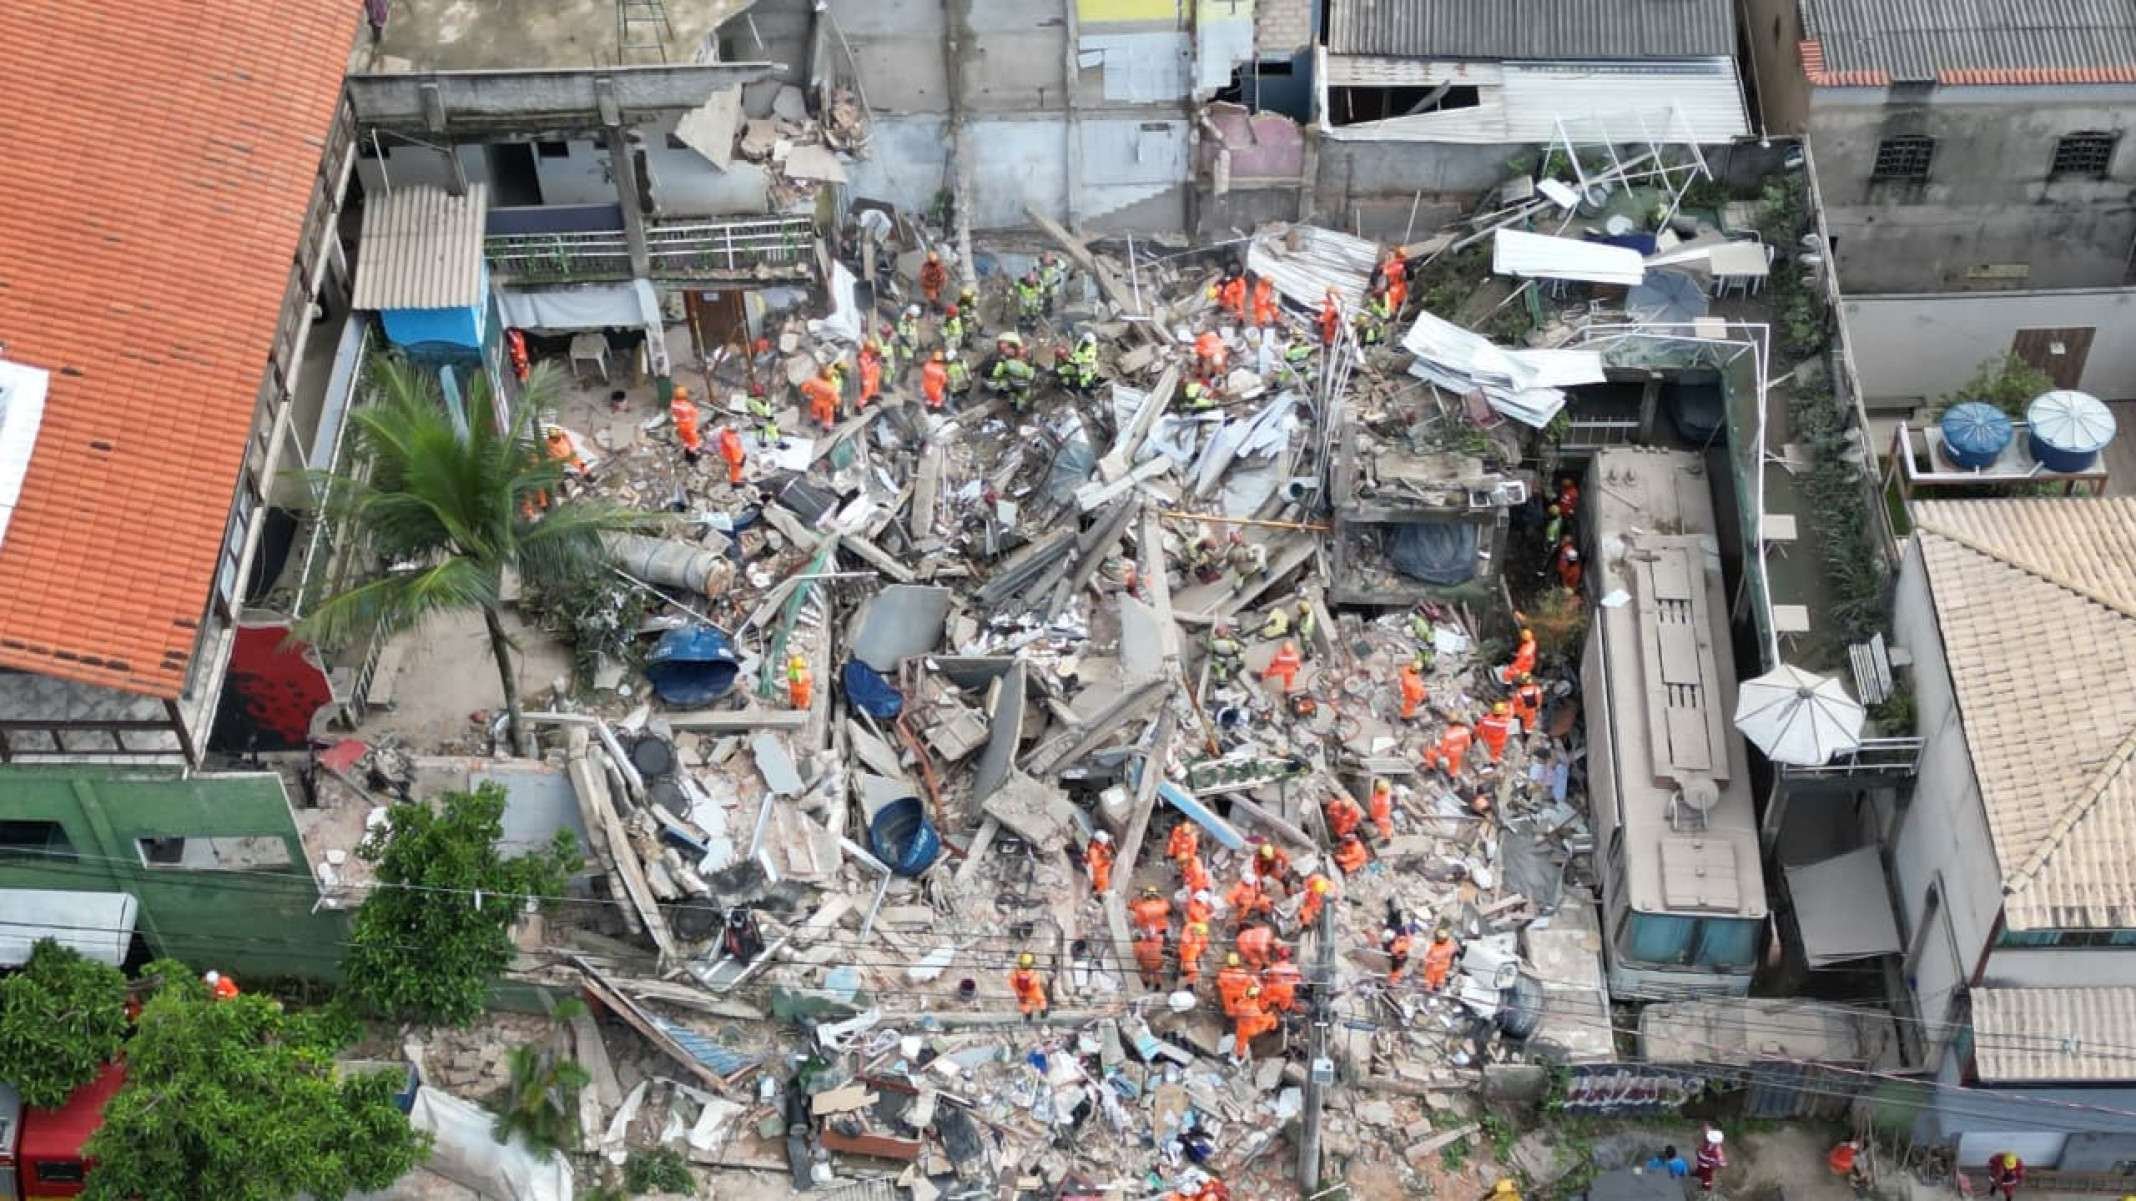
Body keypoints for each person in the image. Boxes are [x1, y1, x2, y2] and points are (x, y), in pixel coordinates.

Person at [1231, 985, 1276, 1063]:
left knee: (1241, 1042)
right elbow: (1261, 1019)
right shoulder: (1255, 1009)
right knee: (1269, 1018)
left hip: (1241, 1028)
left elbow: (1235, 1012)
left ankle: (1240, 1055)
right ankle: (1273, 1027)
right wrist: (1269, 1014)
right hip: (1253, 1030)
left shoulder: (1240, 1003)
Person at [1009, 953, 1049, 1021]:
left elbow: (1012, 982)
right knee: (1041, 1000)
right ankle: (1043, 1012)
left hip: (1022, 992)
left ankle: (1028, 1016)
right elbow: (1036, 981)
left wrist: (1018, 990)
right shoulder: (1032, 973)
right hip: (1034, 991)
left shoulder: (1016, 973)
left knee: (1024, 1003)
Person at [1261, 944, 1301, 1012]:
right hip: (1286, 998)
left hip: (1270, 997)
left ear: (1278, 956)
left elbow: (1264, 978)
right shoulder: (1294, 968)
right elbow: (1298, 982)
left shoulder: (1272, 967)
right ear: (1289, 957)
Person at [670, 387, 703, 463]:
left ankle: (688, 456)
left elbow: (674, 414)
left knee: (686, 441)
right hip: (689, 426)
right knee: (692, 442)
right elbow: (695, 413)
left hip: (680, 425)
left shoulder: (673, 403)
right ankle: (692, 459)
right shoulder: (688, 407)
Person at [1420, 925, 1458, 991]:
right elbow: (1427, 955)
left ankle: (1437, 986)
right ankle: (1429, 987)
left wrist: (1440, 956)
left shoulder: (1449, 945)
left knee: (1440, 980)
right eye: (1439, 938)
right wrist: (1427, 960)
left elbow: (1452, 949)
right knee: (1429, 980)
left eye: (1442, 938)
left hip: (1442, 967)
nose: (1440, 940)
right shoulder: (1433, 945)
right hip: (1432, 966)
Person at [1694, 1128, 1726, 1194]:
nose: (1708, 1139)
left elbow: (1722, 1162)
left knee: (1707, 1177)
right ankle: (1698, 1174)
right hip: (1701, 1161)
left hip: (1708, 1166)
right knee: (1699, 1169)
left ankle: (1706, 1187)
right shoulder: (1707, 1141)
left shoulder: (1717, 1150)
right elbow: (1707, 1130)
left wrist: (1716, 1164)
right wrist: (1698, 1151)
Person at [1178, 919, 1210, 986]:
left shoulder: (1200, 935)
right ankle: (1189, 984)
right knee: (1191, 971)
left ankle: (1189, 982)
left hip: (1192, 955)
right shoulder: (1189, 936)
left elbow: (1203, 947)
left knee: (1191, 971)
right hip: (1189, 956)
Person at [1084, 830, 1114, 894]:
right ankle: (1097, 891)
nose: (1105, 844)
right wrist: (1106, 861)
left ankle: (1099, 890)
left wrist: (1105, 852)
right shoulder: (1092, 851)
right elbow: (1095, 864)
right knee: (1102, 885)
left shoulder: (1096, 844)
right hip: (1095, 874)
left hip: (1099, 875)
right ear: (1098, 842)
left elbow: (1102, 848)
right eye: (1103, 843)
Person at [857, 339, 884, 408]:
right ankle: (859, 406)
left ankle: (873, 397)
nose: (873, 351)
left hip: (872, 376)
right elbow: (865, 370)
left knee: (874, 387)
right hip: (867, 378)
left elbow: (875, 359)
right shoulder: (862, 358)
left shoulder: (870, 356)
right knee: (866, 392)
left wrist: (878, 358)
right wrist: (873, 364)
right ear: (869, 349)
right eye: (872, 349)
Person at [1368, 777, 1395, 842]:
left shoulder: (1380, 797)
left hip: (1380, 815)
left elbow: (1373, 803)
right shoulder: (1383, 795)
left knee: (1384, 826)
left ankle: (1387, 837)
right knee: (1384, 826)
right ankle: (1387, 836)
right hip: (1380, 815)